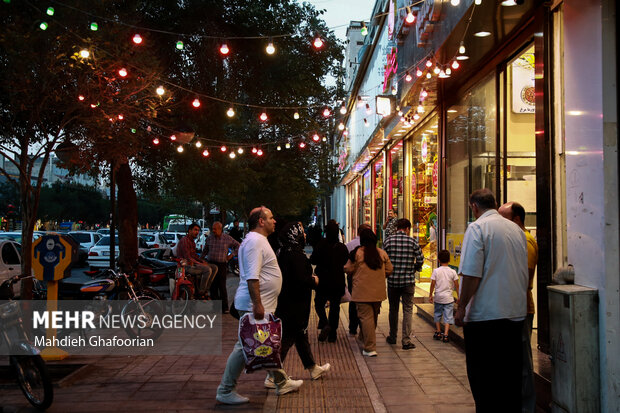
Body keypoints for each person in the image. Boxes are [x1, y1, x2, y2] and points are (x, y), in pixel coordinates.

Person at [216, 207, 302, 405]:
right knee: (243, 347)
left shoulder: (257, 241)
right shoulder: (255, 242)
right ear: (261, 221)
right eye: (271, 218)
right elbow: (252, 277)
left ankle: (281, 381)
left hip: (258, 303)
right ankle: (225, 389)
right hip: (254, 304)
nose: (275, 221)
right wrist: (257, 304)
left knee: (266, 344)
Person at [454, 189, 528, 412]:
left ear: (474, 207)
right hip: (515, 315)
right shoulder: (517, 230)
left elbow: (471, 274)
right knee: (510, 381)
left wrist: (461, 307)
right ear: (494, 204)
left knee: (484, 382)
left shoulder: (477, 228)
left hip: (486, 318)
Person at [264, 221, 330, 389]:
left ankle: (313, 368)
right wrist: (314, 280)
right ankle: (272, 376)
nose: (305, 235)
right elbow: (299, 280)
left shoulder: (282, 252)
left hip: (287, 301)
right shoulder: (295, 255)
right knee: (288, 338)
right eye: (302, 232)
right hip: (295, 304)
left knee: (301, 335)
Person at [499, 201, 538, 413]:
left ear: (517, 220)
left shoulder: (526, 241)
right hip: (508, 308)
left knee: (523, 364)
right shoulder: (512, 239)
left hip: (521, 309)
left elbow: (524, 277)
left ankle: (527, 407)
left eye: (503, 219)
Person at [344, 228, 393, 357]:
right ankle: (363, 337)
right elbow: (389, 269)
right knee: (373, 317)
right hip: (378, 292)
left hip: (361, 292)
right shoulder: (381, 253)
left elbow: (348, 268)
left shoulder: (357, 253)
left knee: (366, 319)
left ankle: (369, 348)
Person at [383, 218, 424, 350]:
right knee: (408, 309)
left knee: (393, 309)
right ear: (407, 229)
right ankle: (406, 340)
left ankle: (392, 336)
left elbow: (383, 259)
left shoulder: (388, 241)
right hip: (408, 281)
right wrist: (415, 268)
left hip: (393, 281)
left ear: (396, 228)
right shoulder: (412, 241)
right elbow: (420, 259)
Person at [310, 220, 350, 342]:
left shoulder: (321, 244)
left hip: (323, 280)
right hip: (337, 280)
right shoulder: (342, 247)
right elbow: (345, 261)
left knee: (318, 303)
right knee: (335, 307)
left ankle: (325, 322)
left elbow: (313, 260)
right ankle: (333, 334)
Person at [201, 221, 240, 313]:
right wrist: (201, 259)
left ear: (220, 229)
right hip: (211, 264)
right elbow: (205, 250)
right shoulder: (210, 239)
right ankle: (215, 307)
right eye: (212, 229)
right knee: (213, 286)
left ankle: (225, 308)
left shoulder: (227, 238)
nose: (213, 231)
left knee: (222, 286)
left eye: (215, 229)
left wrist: (231, 255)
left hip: (222, 265)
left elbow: (238, 245)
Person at [176, 223, 216, 299]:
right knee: (207, 269)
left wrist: (202, 261)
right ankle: (201, 292)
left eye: (198, 230)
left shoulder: (192, 242)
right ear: (189, 230)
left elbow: (194, 256)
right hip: (186, 266)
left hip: (193, 264)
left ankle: (205, 290)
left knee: (214, 268)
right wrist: (200, 263)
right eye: (195, 230)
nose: (197, 232)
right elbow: (188, 257)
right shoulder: (185, 241)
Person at [345, 223, 371, 336]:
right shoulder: (371, 246)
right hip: (365, 278)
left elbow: (346, 264)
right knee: (364, 302)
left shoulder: (349, 245)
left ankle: (352, 327)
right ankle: (362, 326)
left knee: (353, 301)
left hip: (352, 277)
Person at [429, 249, 459, 343]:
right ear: (449, 260)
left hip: (438, 297)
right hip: (449, 298)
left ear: (438, 260)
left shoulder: (436, 271)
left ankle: (438, 332)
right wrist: (459, 297)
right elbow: (457, 285)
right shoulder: (453, 272)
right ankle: (446, 335)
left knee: (437, 314)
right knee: (448, 316)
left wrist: (430, 295)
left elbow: (433, 284)